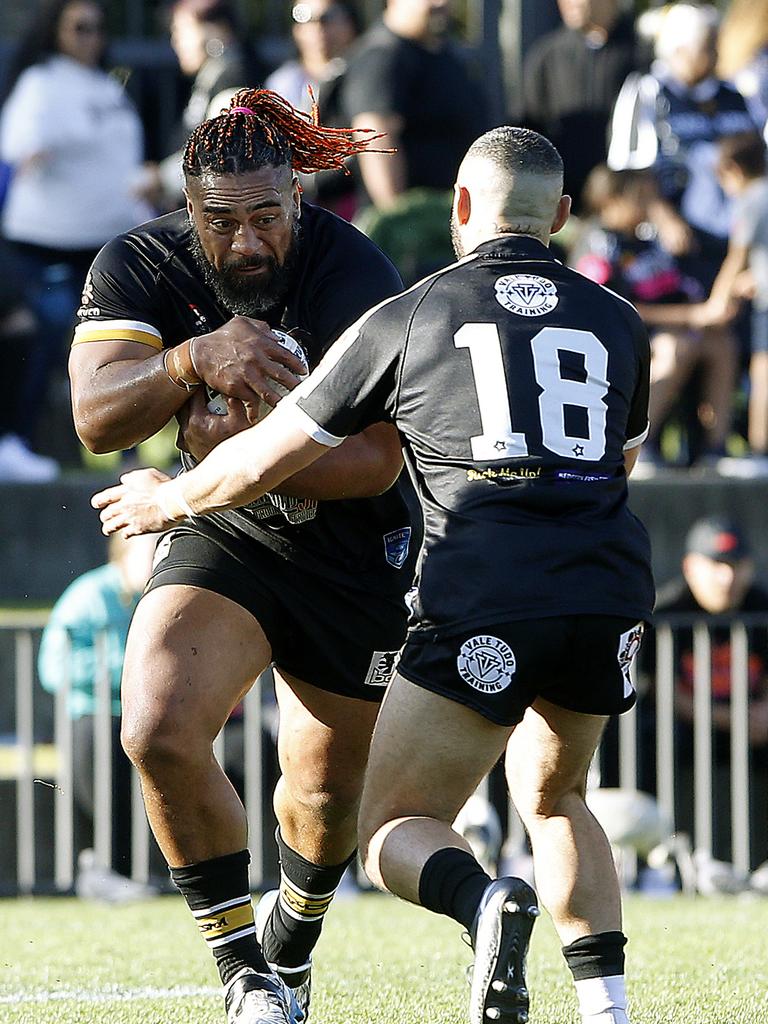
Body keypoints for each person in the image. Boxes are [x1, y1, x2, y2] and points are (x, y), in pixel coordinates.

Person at [93, 126, 655, 1024]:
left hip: (473, 585)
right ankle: (608, 1008)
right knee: (557, 799)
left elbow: (273, 454)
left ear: (459, 210)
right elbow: (617, 466)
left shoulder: (411, 310)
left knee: (387, 826)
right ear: (560, 215)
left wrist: (173, 499)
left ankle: (481, 900)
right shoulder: (621, 320)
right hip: (609, 587)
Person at [69, 88, 415, 1024]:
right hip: (228, 534)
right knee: (157, 727)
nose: (251, 242)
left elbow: (381, 455)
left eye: (268, 214)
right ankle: (242, 975)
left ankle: (290, 949)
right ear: (190, 210)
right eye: (225, 221)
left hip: (351, 546)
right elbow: (98, 418)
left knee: (322, 796)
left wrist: (246, 451)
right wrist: (191, 362)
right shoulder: (138, 262)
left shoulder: (353, 271)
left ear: (300, 197)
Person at [0, 0, 154, 467]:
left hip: (106, 242)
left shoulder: (105, 84)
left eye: (98, 28)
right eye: (80, 28)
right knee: (44, 341)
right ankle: (14, 443)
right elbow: (19, 142)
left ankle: (130, 452)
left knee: (124, 345)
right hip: (47, 242)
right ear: (57, 32)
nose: (92, 37)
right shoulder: (41, 81)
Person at [573, 164, 737, 467]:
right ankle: (638, 448)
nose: (652, 203)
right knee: (676, 347)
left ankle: (716, 451)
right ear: (613, 199)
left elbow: (681, 282)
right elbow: (614, 308)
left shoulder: (647, 240)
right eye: (642, 196)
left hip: (668, 330)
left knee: (720, 344)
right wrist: (692, 316)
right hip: (619, 342)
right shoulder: (598, 242)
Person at [37, 532, 160, 899]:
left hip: (144, 719)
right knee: (104, 759)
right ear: (124, 552)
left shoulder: (157, 597)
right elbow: (53, 667)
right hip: (95, 717)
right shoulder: (88, 595)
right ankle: (107, 869)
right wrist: (129, 669)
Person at [648, 516, 768, 866]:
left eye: (736, 565)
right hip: (686, 729)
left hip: (755, 724)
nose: (727, 578)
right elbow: (658, 689)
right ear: (690, 567)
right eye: (716, 565)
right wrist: (730, 720)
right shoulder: (666, 613)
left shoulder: (762, 607)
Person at [340, 0, 489, 211]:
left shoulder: (449, 56)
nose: (441, 3)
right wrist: (401, 222)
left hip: (450, 217)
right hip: (417, 229)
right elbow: (376, 144)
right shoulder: (383, 56)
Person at [523, 0, 648, 213]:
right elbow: (530, 125)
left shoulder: (639, 53)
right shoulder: (547, 55)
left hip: (623, 202)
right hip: (561, 201)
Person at [154, 0, 265, 209]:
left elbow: (219, 153)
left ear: (215, 30)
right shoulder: (213, 75)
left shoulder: (232, 78)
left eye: (181, 30)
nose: (175, 41)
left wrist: (161, 178)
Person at [265, 1, 361, 219]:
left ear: (349, 22)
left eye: (327, 18)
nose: (317, 28)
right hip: (299, 201)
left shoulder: (363, 75)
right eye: (304, 18)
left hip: (352, 197)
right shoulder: (283, 82)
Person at [705, 132, 768, 457]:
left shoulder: (752, 199)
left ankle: (759, 452)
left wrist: (717, 302)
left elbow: (736, 257)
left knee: (763, 371)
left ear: (732, 170)